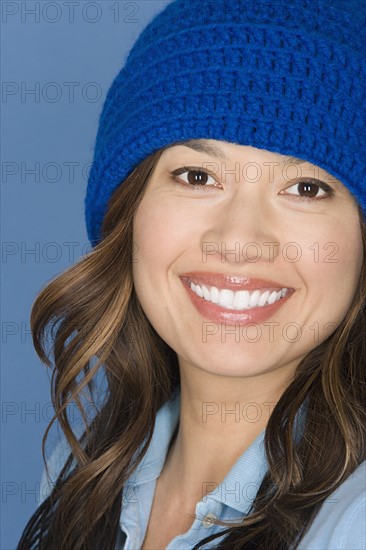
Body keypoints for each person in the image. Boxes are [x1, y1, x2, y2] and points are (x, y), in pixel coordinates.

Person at [18, 0, 365, 548]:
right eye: (198, 175)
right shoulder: (88, 464)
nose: (238, 240)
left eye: (306, 189)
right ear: (128, 213)